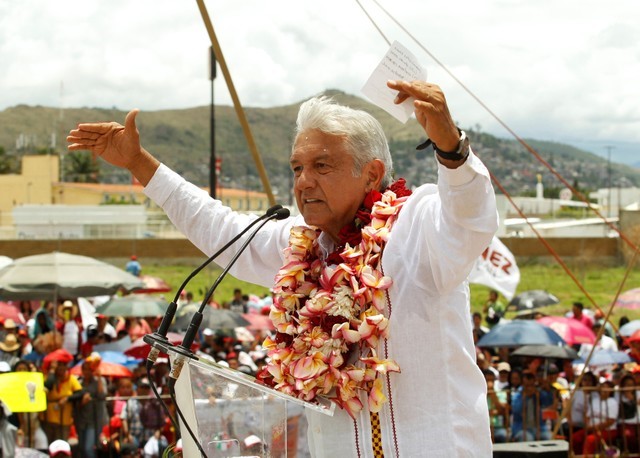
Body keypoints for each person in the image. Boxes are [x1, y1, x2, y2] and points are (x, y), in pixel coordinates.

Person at [67, 79, 498, 456]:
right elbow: (220, 228)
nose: (303, 181)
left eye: (321, 166)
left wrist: (452, 150)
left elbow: (469, 220)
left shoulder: (418, 224)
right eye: (297, 168)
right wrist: (140, 163)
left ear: (371, 174)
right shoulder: (301, 246)